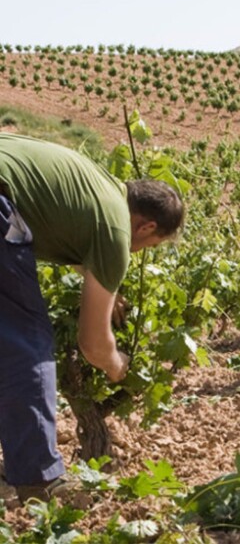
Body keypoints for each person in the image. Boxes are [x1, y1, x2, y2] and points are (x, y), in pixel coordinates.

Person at [0, 132, 184, 503]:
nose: (141, 251)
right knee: (27, 345)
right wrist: (117, 367)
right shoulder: (116, 230)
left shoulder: (97, 184)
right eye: (150, 245)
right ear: (147, 227)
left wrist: (101, 284)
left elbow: (62, 217)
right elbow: (92, 344)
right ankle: (39, 481)